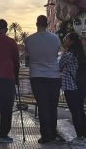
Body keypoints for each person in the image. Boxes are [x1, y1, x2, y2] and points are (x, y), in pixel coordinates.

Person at [25, 15, 63, 144]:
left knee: (42, 106)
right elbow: (56, 53)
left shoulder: (29, 39)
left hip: (37, 76)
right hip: (53, 76)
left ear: (37, 24)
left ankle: (45, 135)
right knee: (52, 106)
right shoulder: (55, 38)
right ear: (47, 24)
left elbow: (28, 56)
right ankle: (53, 133)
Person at [59, 32, 86, 143]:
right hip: (81, 86)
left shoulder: (68, 55)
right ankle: (84, 135)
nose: (64, 40)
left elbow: (59, 66)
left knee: (75, 112)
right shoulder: (81, 53)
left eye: (66, 38)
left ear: (71, 41)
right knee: (80, 111)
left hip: (71, 87)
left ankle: (80, 136)